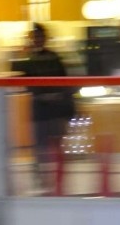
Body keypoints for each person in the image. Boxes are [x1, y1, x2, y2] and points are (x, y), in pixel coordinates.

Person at [11, 23, 76, 191]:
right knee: (47, 147)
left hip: (46, 109)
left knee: (46, 147)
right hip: (47, 110)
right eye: (36, 37)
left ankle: (50, 180)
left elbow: (29, 85)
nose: (37, 40)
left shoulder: (33, 60)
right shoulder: (50, 58)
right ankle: (51, 181)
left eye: (39, 37)